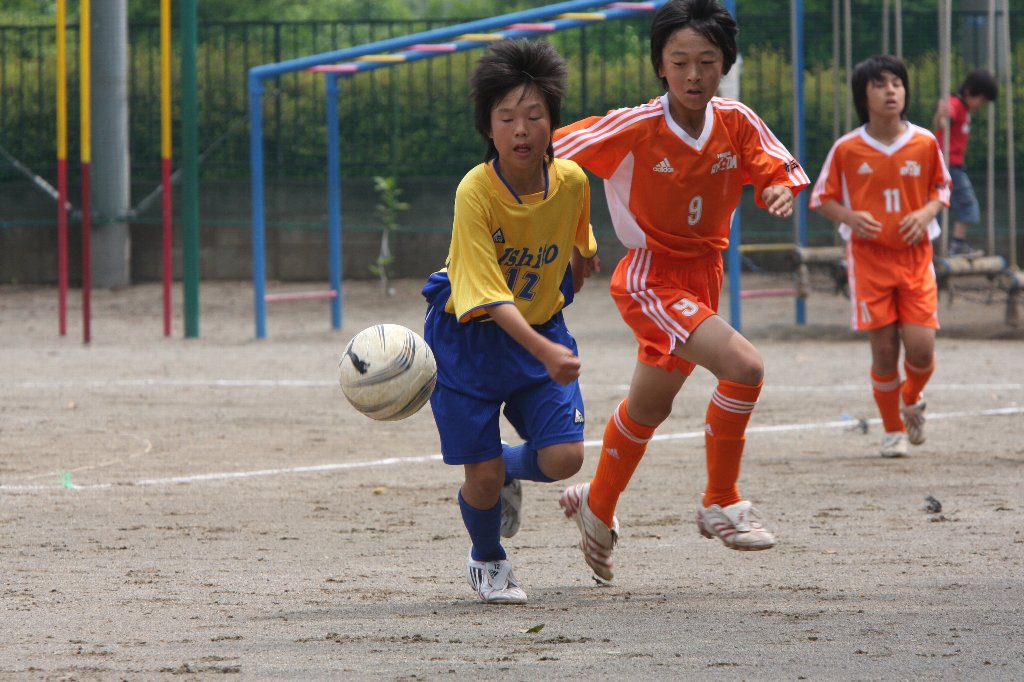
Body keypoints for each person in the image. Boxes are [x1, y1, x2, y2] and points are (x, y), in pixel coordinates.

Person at [552, 0, 808, 582]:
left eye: (707, 61)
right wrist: (575, 240)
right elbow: (551, 161)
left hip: (703, 275)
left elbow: (776, 169)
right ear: (660, 66)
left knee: (649, 408)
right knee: (745, 366)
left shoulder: (737, 121)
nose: (694, 75)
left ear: (725, 65)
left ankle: (597, 503)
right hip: (651, 277)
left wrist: (777, 191)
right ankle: (721, 499)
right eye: (680, 61)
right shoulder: (635, 126)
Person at [421, 38, 599, 604]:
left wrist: (580, 268)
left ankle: (507, 469)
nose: (522, 130)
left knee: (565, 457)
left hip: (539, 331)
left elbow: (579, 245)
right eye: (507, 118)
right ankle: (488, 559)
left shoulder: (573, 182)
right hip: (467, 340)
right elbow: (489, 296)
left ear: (552, 122)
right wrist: (545, 351)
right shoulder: (475, 191)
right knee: (482, 478)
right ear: (488, 128)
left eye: (534, 115)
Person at [810, 54, 951, 458]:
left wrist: (925, 213)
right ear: (863, 96)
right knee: (885, 350)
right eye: (880, 84)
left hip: (915, 259)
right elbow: (821, 198)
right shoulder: (847, 148)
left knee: (921, 348)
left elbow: (942, 189)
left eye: (897, 83)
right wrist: (850, 217)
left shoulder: (925, 142)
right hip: (869, 262)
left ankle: (911, 398)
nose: (891, 91)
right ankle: (893, 431)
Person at [932, 69, 998, 257]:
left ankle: (933, 247)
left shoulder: (964, 108)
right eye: (981, 100)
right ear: (969, 92)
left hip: (952, 164)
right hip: (950, 165)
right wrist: (940, 115)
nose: (981, 105)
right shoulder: (955, 104)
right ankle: (957, 245)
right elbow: (942, 124)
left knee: (938, 205)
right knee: (968, 204)